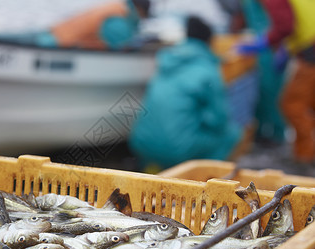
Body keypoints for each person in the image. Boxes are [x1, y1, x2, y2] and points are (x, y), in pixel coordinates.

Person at [128, 16, 246, 171]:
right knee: (232, 134)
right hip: (176, 149)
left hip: (142, 144)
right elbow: (219, 120)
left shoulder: (166, 61)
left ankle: (153, 171)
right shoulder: (208, 69)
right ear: (209, 42)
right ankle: (206, 177)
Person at [236, 0, 315, 163]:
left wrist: (265, 42)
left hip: (311, 50)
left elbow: (285, 25)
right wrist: (287, 48)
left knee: (293, 104)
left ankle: (306, 158)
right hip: (307, 47)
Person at [239, 0, 288, 144]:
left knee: (272, 91)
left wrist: (279, 45)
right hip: (262, 43)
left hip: (271, 44)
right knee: (259, 90)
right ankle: (260, 131)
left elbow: (282, 22)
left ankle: (278, 135)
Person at [37, 0, 150, 50]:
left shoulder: (117, 7)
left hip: (54, 34)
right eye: (144, 16)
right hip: (59, 44)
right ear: (140, 11)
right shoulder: (120, 20)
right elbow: (119, 45)